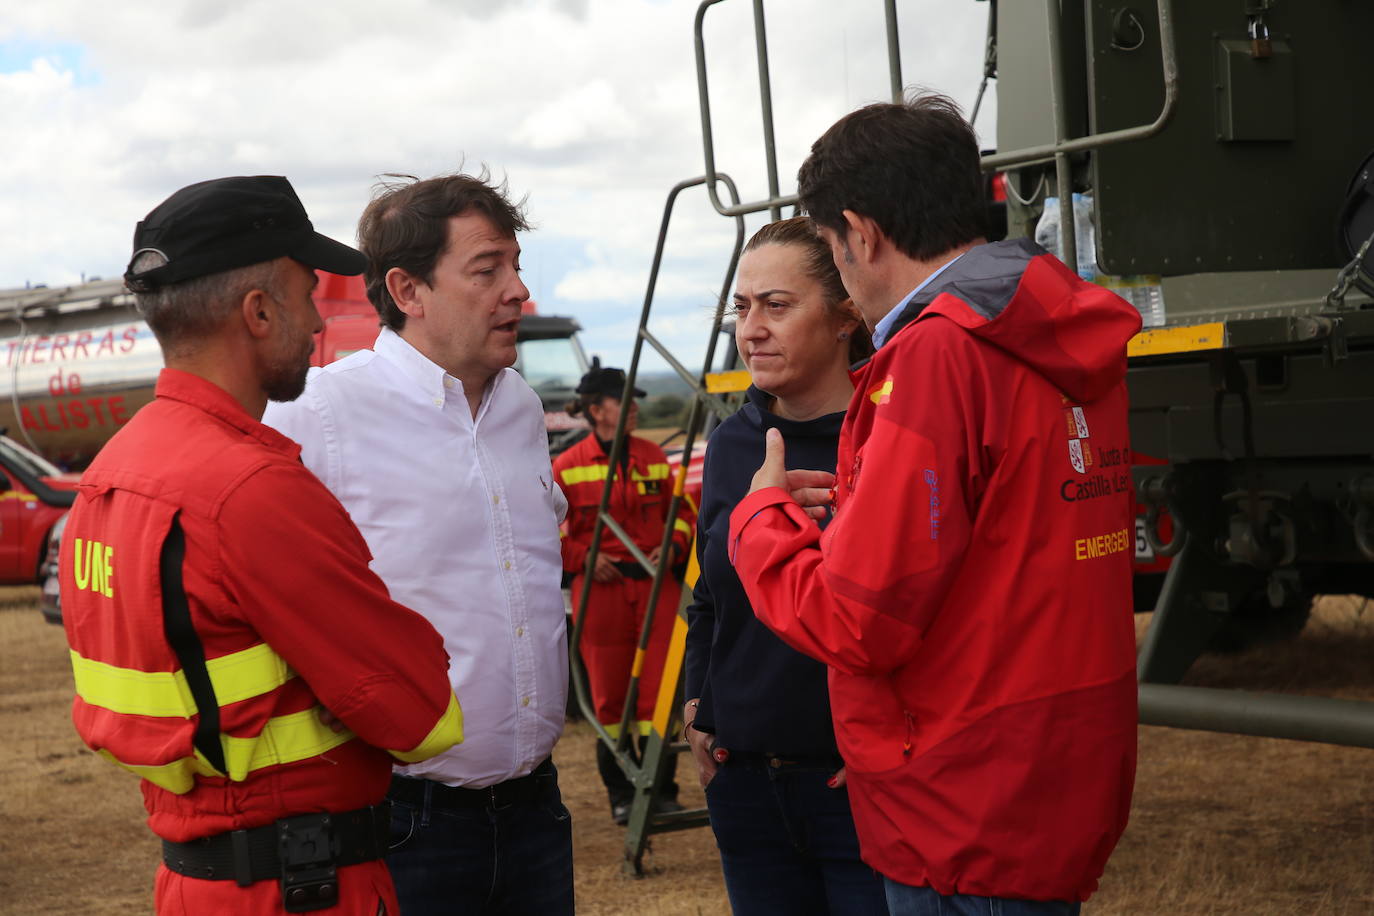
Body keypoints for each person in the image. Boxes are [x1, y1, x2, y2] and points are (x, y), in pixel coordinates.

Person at [728, 95, 1142, 915]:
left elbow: (858, 620)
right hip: (1053, 768)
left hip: (962, 806)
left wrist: (760, 519)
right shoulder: (1049, 328)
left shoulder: (936, 356)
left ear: (862, 232)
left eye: (833, 249)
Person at [60, 175, 464, 915]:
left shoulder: (108, 476)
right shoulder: (253, 489)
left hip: (195, 883)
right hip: (304, 887)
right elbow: (424, 716)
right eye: (307, 293)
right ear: (257, 311)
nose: (316, 321)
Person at [263, 172, 573, 916]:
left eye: (517, 265)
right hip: (405, 826)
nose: (517, 291)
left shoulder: (521, 408)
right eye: (487, 268)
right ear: (407, 290)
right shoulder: (321, 413)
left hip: (537, 812)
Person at [681, 217, 887, 915]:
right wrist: (697, 703)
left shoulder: (889, 432)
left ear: (844, 318)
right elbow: (709, 594)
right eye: (742, 308)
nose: (752, 328)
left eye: (778, 305)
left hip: (856, 787)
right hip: (745, 789)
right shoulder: (734, 442)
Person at [553, 360, 692, 825]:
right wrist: (582, 558)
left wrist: (672, 546)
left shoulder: (654, 457)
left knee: (661, 693)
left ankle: (661, 789)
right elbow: (545, 532)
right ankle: (622, 793)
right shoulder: (565, 467)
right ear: (597, 410)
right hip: (603, 595)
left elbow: (684, 517)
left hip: (657, 589)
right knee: (611, 698)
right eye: (624, 400)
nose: (633, 408)